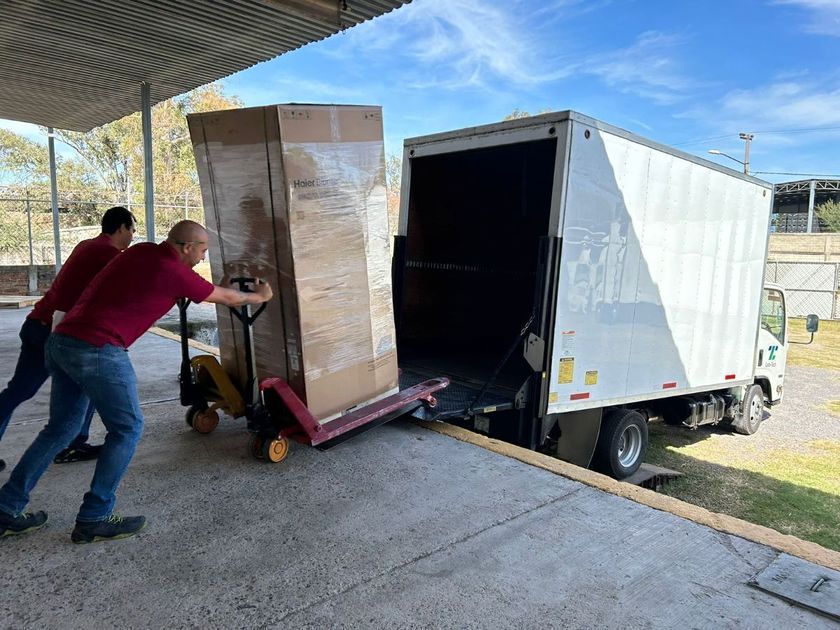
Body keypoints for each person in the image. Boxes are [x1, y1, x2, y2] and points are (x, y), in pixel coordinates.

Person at [0, 220, 272, 543]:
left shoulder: (143, 251)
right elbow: (226, 298)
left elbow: (208, 290)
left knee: (60, 430)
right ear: (187, 247)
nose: (203, 257)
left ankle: (6, 508)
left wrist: (226, 288)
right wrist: (260, 295)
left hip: (62, 342)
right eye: (202, 251)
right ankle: (95, 516)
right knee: (127, 429)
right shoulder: (173, 271)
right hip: (98, 348)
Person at [0, 206, 136, 473]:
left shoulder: (87, 246)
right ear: (121, 228)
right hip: (56, 331)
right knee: (91, 383)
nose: (132, 236)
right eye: (131, 230)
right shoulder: (107, 254)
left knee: (20, 390)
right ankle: (74, 443)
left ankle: (75, 442)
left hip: (38, 323)